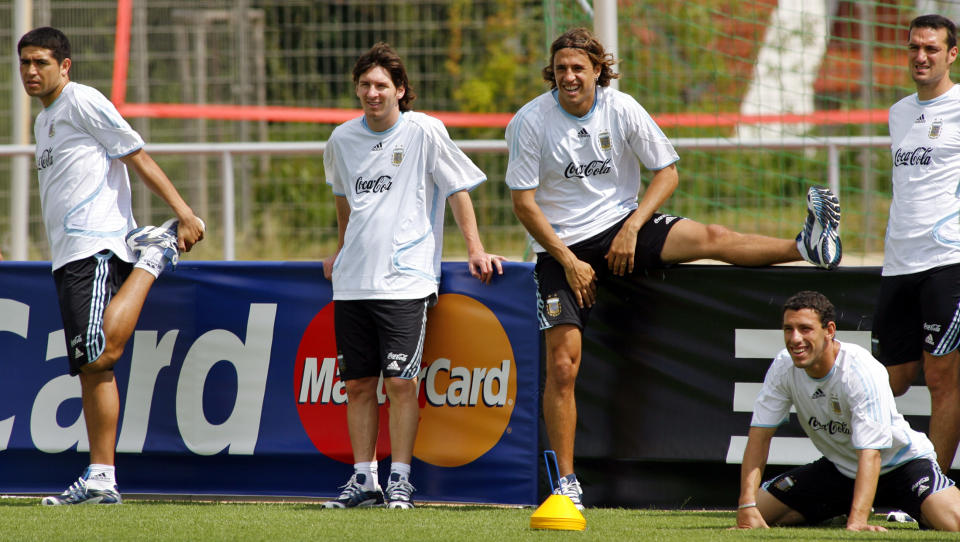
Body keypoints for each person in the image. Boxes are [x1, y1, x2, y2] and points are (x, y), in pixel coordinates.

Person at [504, 27, 842, 509]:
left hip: (623, 225)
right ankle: (567, 484)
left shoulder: (622, 107)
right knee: (562, 366)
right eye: (561, 69)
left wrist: (632, 226)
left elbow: (668, 172)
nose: (569, 77)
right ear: (551, 74)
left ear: (598, 70)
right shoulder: (530, 121)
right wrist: (570, 261)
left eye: (579, 68)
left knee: (714, 238)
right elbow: (524, 204)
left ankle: (806, 244)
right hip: (562, 248)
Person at [18, 27, 205, 505]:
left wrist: (183, 212)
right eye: (24, 63)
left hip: (97, 245)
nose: (31, 72)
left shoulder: (82, 101)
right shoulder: (44, 122)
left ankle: (153, 256)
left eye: (41, 62)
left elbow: (136, 155)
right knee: (90, 368)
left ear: (65, 66)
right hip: (68, 255)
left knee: (99, 354)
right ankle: (101, 478)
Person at [320, 42, 504, 509]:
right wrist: (340, 252)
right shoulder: (341, 140)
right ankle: (364, 479)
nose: (373, 92)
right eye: (365, 84)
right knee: (359, 384)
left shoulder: (424, 131)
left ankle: (400, 479)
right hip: (352, 282)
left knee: (401, 383)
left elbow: (458, 188)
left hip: (406, 279)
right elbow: (345, 203)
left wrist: (475, 249)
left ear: (401, 91)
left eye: (382, 85)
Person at [734, 290, 960, 531]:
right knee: (759, 511)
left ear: (829, 330)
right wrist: (746, 505)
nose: (795, 338)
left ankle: (898, 510)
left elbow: (871, 453)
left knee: (953, 523)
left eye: (805, 328)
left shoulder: (860, 370)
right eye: (788, 329)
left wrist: (858, 521)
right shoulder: (783, 366)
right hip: (841, 469)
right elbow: (759, 435)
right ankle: (833, 512)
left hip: (903, 465)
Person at [876, 13, 960, 476]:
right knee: (892, 379)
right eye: (914, 47)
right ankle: (874, 473)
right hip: (897, 261)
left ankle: (933, 486)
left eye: (932, 48)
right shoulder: (899, 112)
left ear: (952, 54)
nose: (921, 56)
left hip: (948, 260)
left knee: (944, 380)